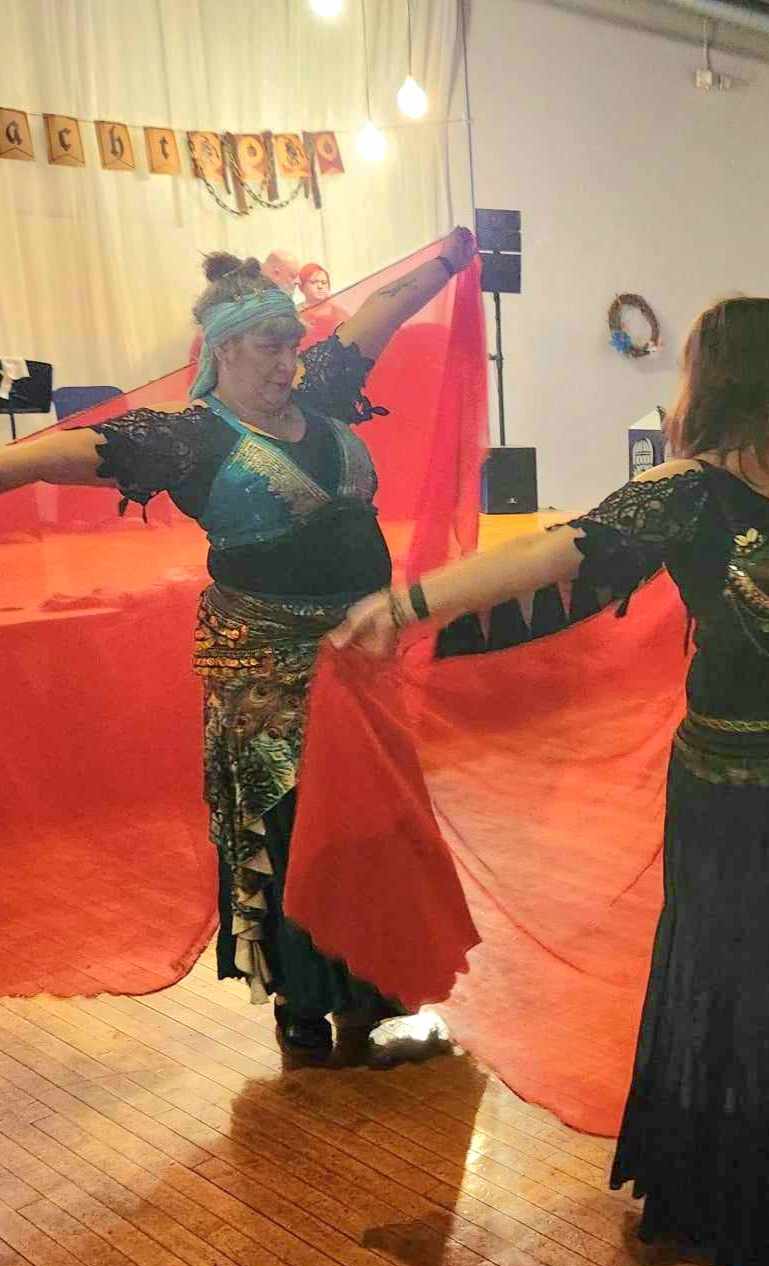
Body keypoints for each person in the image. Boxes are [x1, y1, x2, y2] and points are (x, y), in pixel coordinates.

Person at [333, 165, 769, 1266]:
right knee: (761, 980)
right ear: (768, 384)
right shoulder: (688, 494)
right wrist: (407, 603)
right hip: (744, 789)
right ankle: (757, 1186)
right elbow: (557, 550)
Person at [0, 227, 479, 1060]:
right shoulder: (193, 437)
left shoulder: (323, 391)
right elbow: (58, 454)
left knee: (375, 827)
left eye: (293, 344)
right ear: (222, 350)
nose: (288, 362)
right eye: (269, 347)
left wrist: (449, 257)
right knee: (293, 829)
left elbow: (383, 308)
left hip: (362, 662)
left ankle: (369, 1002)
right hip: (266, 672)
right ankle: (303, 1007)